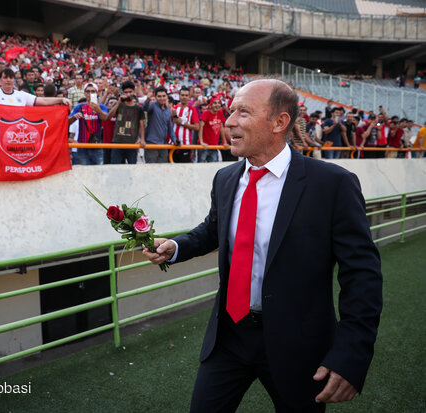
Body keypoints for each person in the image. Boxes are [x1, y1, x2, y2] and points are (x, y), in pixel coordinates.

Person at [142, 79, 382, 413]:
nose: (228, 122)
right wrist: (176, 246)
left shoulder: (332, 184)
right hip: (229, 337)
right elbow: (214, 228)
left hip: (298, 345)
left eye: (243, 112)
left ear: (279, 122)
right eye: (230, 112)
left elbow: (362, 275)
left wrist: (353, 352)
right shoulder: (225, 179)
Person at [0, 68, 70, 107]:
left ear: (14, 80)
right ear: (0, 80)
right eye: (5, 77)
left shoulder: (21, 95)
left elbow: (43, 101)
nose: (8, 80)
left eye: (11, 78)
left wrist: (61, 99)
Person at [106, 80, 145, 164]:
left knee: (132, 169)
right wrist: (118, 102)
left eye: (130, 92)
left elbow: (141, 125)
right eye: (126, 92)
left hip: (132, 143)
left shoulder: (138, 108)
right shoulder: (118, 104)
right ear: (123, 93)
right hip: (117, 142)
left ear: (134, 92)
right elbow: (108, 117)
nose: (128, 94)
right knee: (114, 168)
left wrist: (142, 139)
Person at [69, 82, 108, 165]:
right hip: (82, 145)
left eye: (93, 91)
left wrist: (98, 109)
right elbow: (67, 122)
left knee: (99, 173)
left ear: (97, 93)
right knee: (84, 173)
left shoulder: (102, 107)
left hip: (97, 145)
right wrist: (74, 117)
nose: (90, 94)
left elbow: (105, 118)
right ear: (84, 93)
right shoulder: (79, 107)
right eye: (88, 91)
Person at [143, 86, 177, 163]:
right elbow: (144, 108)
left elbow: (170, 127)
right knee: (151, 170)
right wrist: (148, 99)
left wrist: (174, 140)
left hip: (163, 145)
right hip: (151, 143)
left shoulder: (168, 110)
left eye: (164, 96)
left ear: (167, 96)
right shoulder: (152, 105)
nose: (162, 98)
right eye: (159, 96)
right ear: (155, 97)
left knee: (163, 170)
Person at [198, 97, 225, 162]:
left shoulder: (220, 113)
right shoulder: (206, 113)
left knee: (213, 168)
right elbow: (200, 127)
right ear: (210, 105)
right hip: (204, 147)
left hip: (214, 147)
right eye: (215, 103)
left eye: (219, 103)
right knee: (200, 168)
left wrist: (225, 142)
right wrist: (201, 142)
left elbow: (221, 128)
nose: (217, 105)